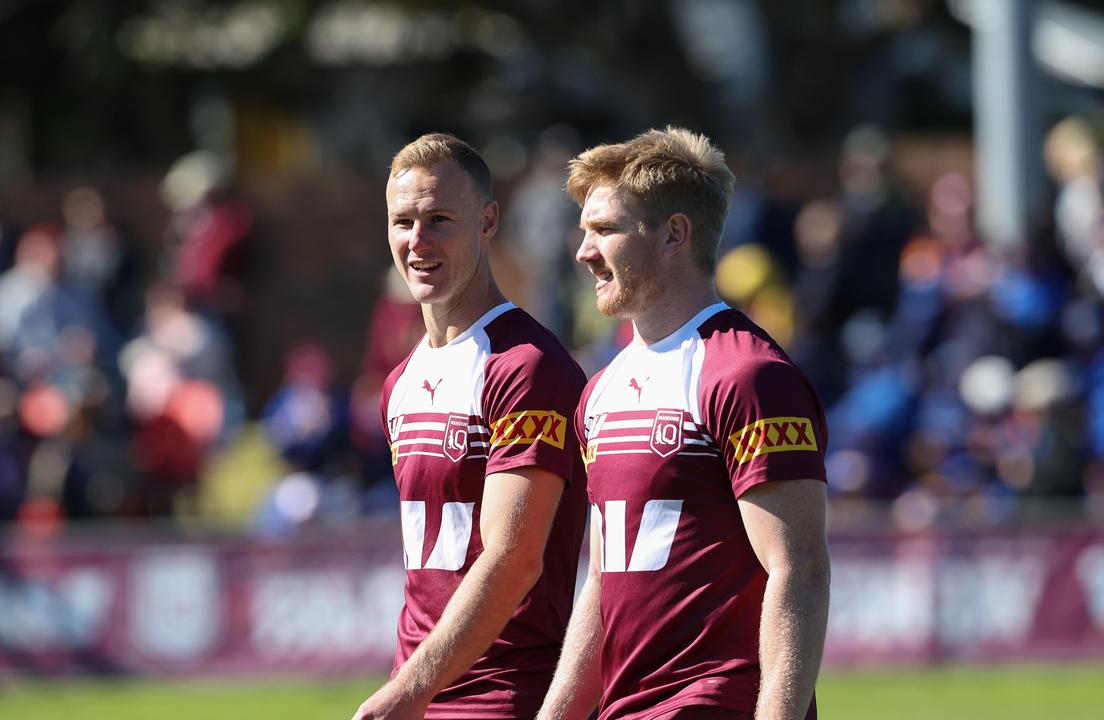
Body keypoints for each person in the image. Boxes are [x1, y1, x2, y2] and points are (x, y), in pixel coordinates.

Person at [536, 127, 830, 720]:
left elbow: (797, 568)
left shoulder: (748, 375)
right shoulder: (601, 390)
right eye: (583, 231)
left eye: (606, 230)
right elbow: (602, 579)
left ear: (675, 233)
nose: (583, 252)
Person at [353, 133, 588, 720]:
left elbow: (514, 560)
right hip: (418, 689)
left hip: (503, 696)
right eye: (402, 221)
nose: (417, 241)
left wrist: (408, 692)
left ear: (488, 222)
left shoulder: (528, 368)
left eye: (439, 220)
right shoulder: (400, 381)